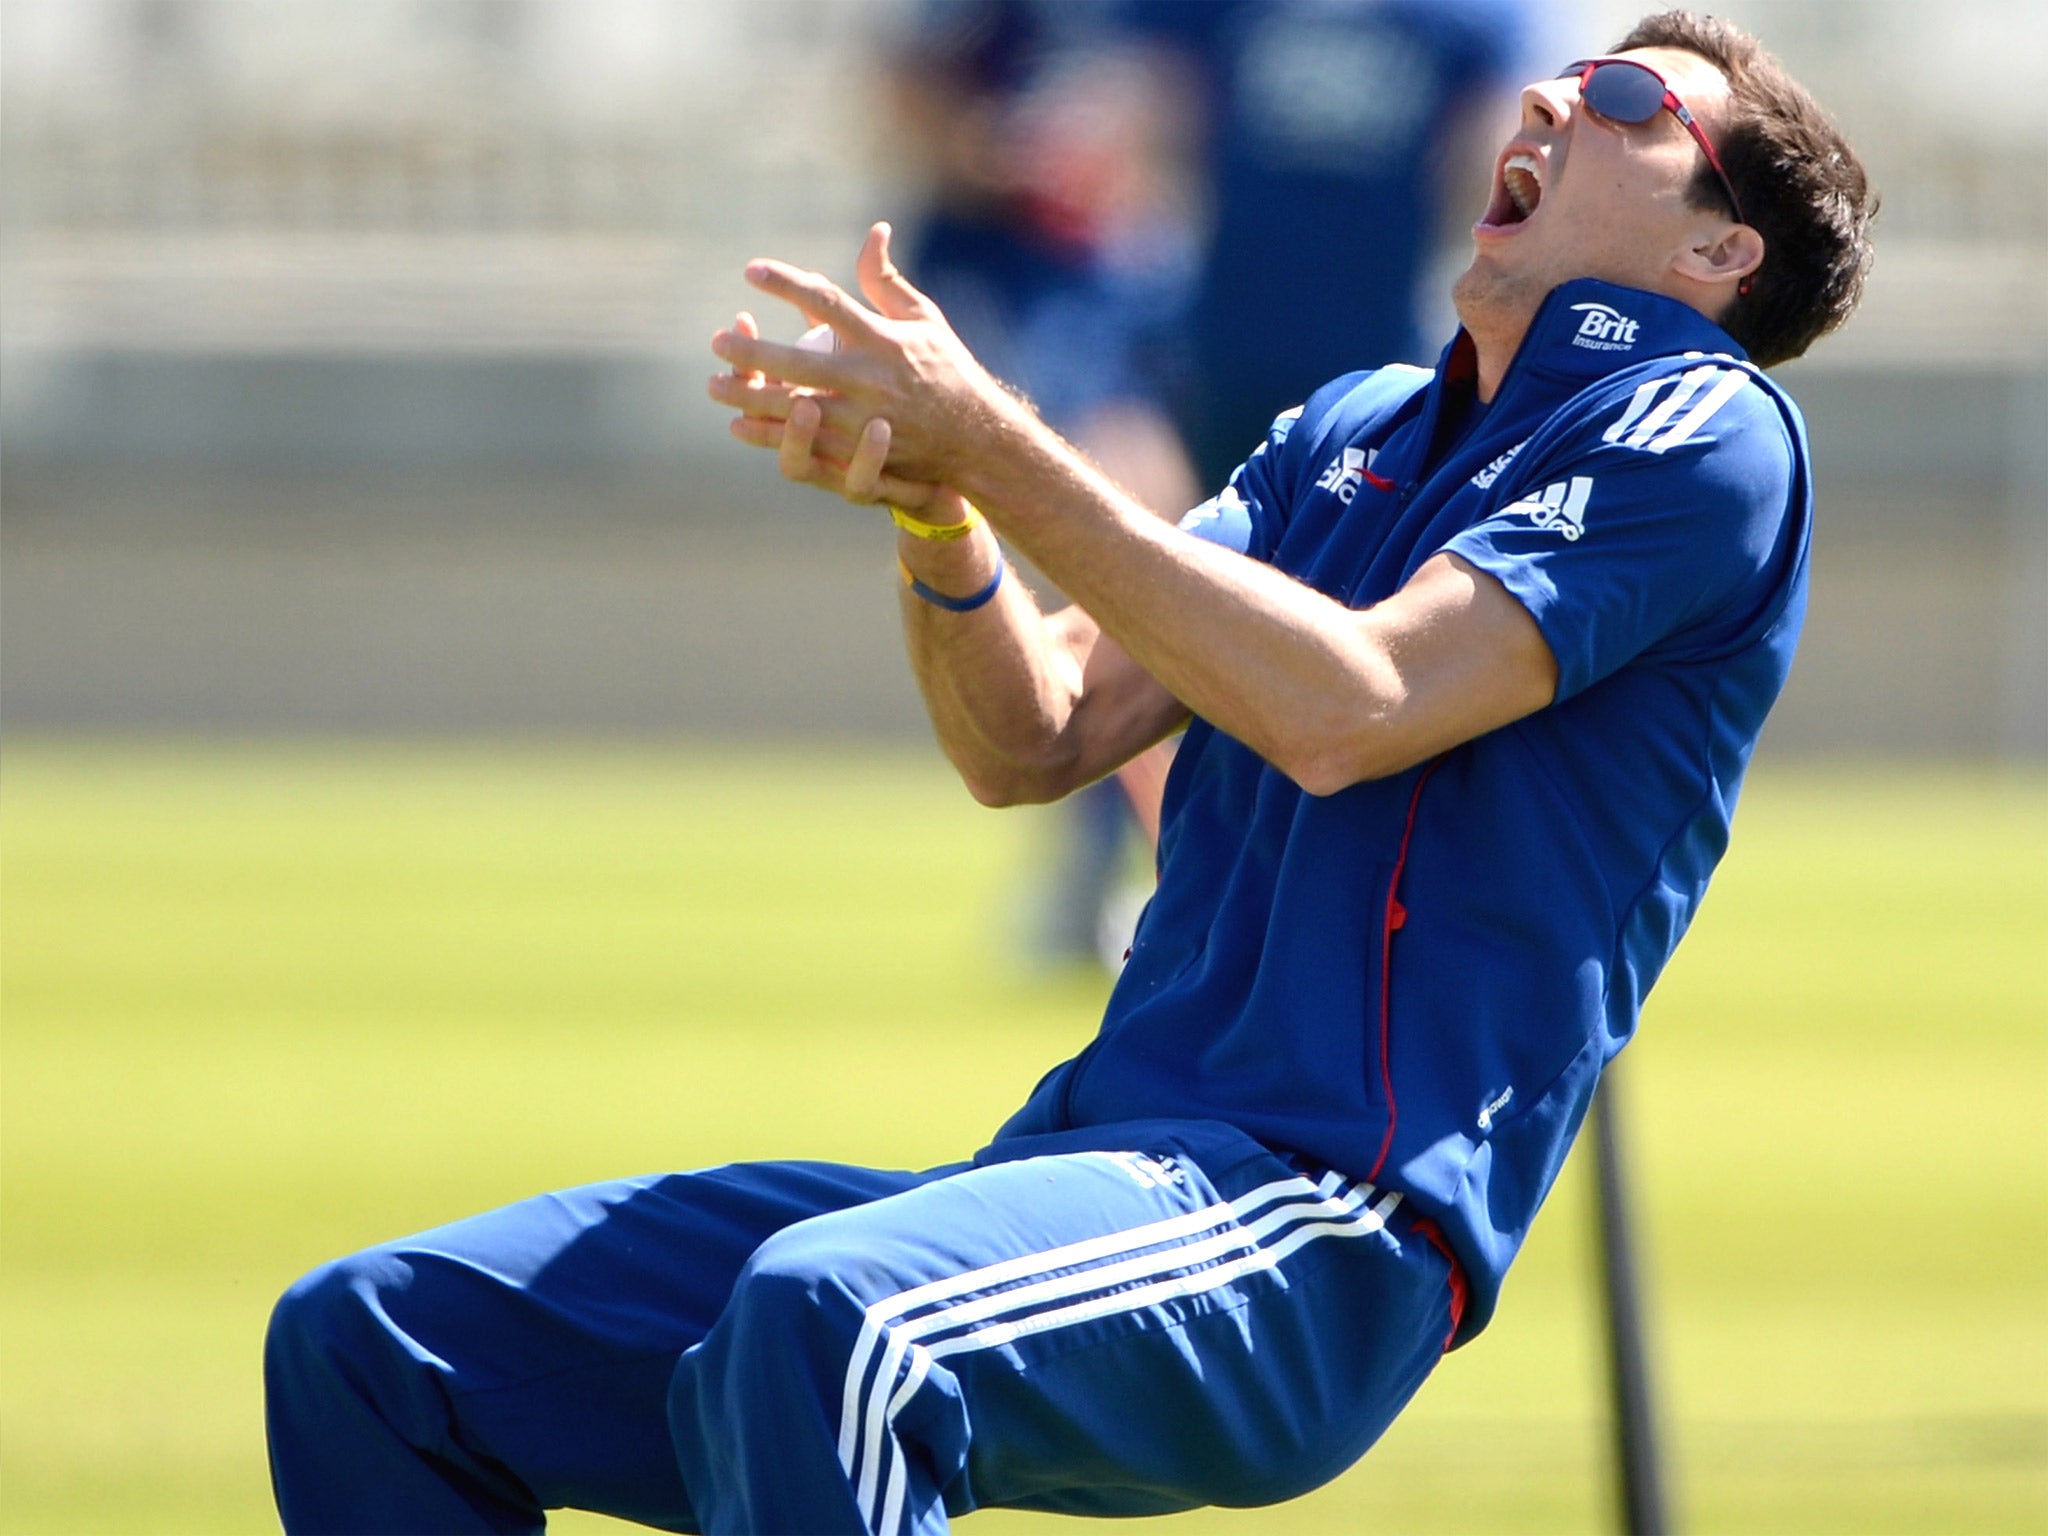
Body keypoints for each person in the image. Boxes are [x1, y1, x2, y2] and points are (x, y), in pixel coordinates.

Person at [263, 13, 1875, 1534]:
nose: (1550, 98)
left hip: (1325, 1226)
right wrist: (936, 513)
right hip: (1096, 1166)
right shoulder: (1357, 425)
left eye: (1623, 103)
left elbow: (1353, 704)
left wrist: (996, 442)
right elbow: (1031, 738)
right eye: (1567, 76)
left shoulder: (1705, 423)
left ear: (1717, 252)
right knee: (372, 1346)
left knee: (837, 1329)